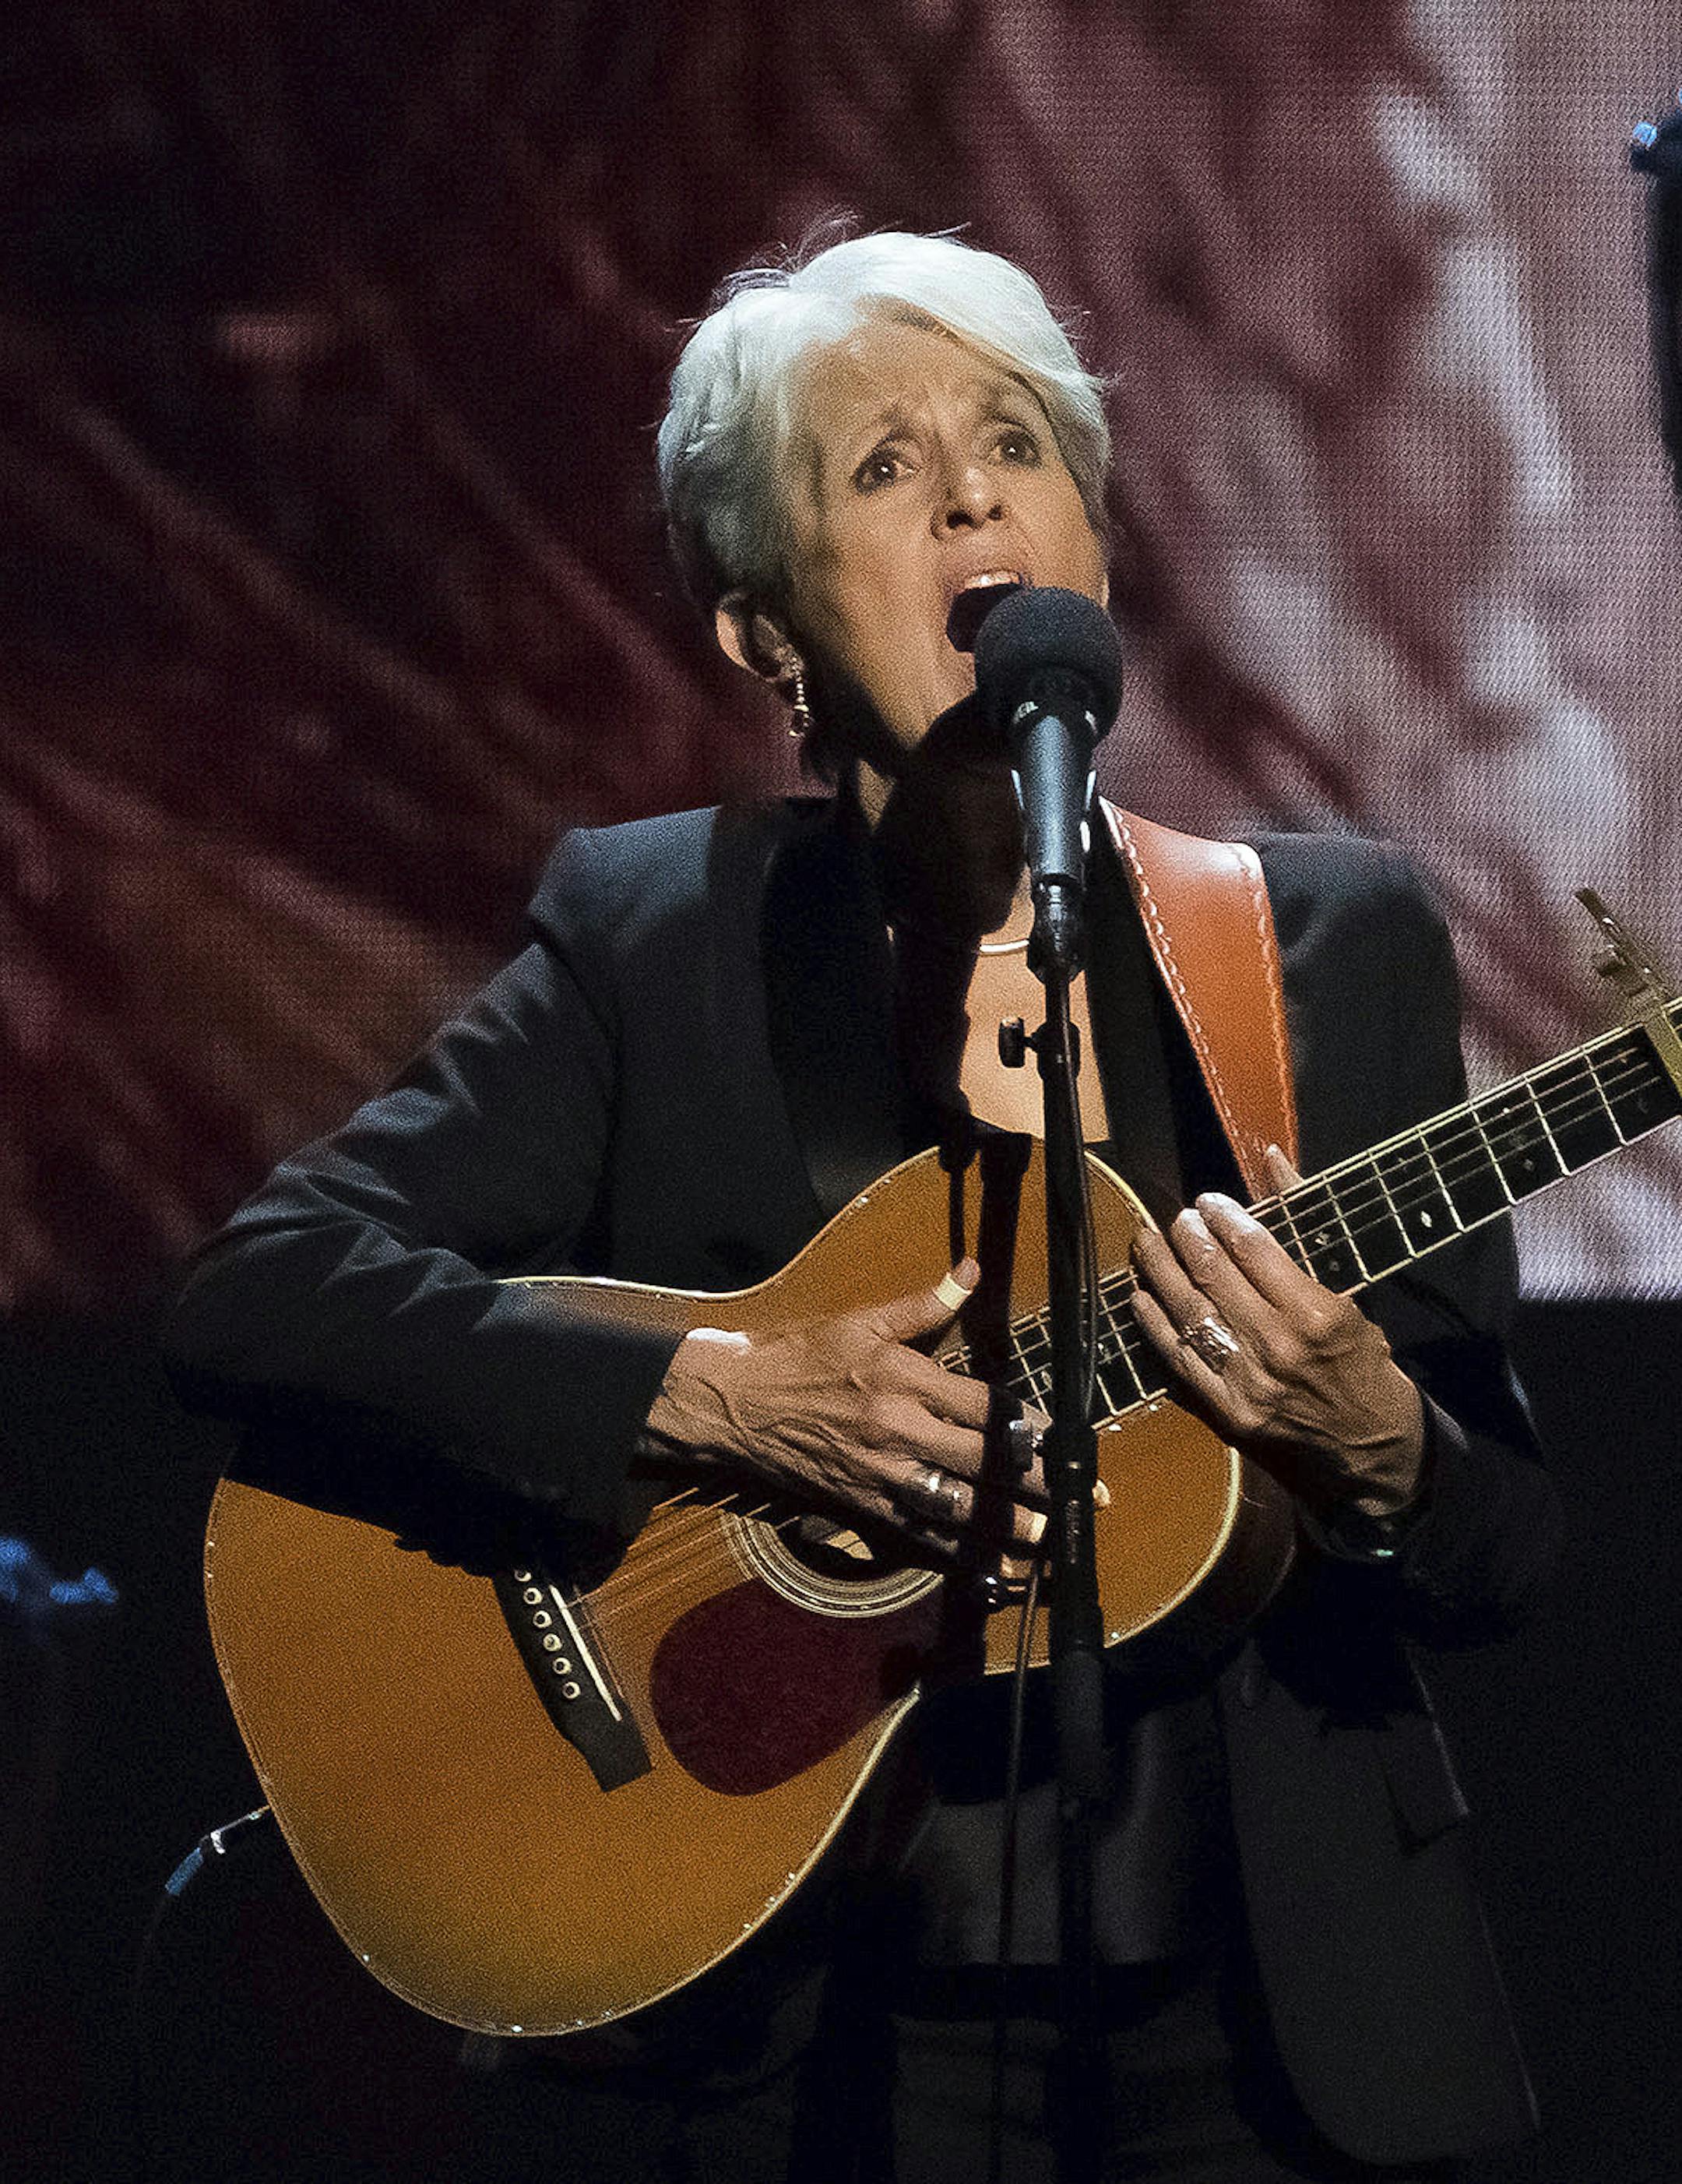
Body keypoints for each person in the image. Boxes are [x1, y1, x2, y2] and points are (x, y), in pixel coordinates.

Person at [164, 229, 1559, 2184]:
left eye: (1020, 443)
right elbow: (261, 1290)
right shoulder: (655, 937)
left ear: (1088, 539)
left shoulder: (1325, 947)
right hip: (799, 2036)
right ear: (766, 629)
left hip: (1259, 2035)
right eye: (884, 468)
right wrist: (714, 1396)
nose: (975, 488)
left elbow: (1510, 1549)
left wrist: (1386, 1446)